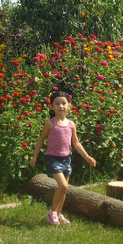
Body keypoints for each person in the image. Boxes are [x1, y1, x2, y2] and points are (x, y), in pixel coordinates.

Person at [30, 91, 96, 225]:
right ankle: (52, 212)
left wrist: (87, 157)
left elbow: (76, 143)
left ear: (69, 106)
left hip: (66, 159)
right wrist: (34, 157)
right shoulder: (50, 124)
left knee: (64, 190)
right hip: (53, 159)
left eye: (64, 103)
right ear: (52, 107)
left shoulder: (71, 124)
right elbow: (41, 140)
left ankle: (59, 214)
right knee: (64, 186)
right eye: (57, 103)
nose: (61, 106)